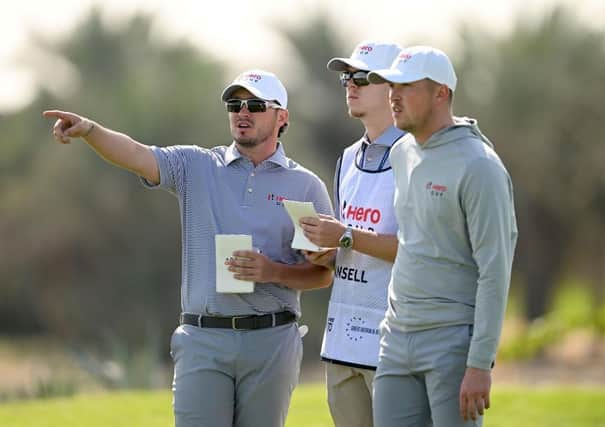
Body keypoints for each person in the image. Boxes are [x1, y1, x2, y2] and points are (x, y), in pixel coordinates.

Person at [43, 69, 334, 427]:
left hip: (272, 341)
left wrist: (272, 271)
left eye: (256, 105)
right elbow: (135, 154)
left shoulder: (305, 186)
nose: (243, 112)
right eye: (234, 104)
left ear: (281, 117)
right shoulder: (196, 165)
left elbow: (323, 273)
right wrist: (90, 130)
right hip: (203, 338)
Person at [367, 46, 518, 426]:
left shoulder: (480, 167)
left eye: (406, 86)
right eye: (391, 87)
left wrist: (480, 364)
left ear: (441, 94)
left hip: (452, 342)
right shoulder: (401, 153)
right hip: (396, 339)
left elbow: (495, 271)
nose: (393, 97)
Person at [299, 40, 404, 427]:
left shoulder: (416, 157)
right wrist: (325, 252)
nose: (350, 84)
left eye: (362, 76)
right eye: (347, 77)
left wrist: (344, 236)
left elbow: (417, 250)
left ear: (394, 86)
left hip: (392, 345)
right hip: (341, 342)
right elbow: (351, 242)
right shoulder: (346, 158)